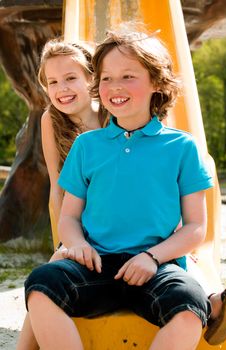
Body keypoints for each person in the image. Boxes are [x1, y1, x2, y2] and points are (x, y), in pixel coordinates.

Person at [22, 27, 226, 349]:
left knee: (191, 304)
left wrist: (151, 256)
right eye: (106, 78)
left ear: (157, 83)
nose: (115, 87)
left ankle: (211, 301)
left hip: (155, 265)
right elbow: (69, 217)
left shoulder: (182, 148)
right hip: (94, 264)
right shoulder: (86, 146)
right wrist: (77, 244)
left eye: (128, 76)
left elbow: (195, 228)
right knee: (41, 283)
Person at [16, 38, 103, 350]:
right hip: (77, 222)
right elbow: (57, 186)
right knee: (55, 264)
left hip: (115, 220)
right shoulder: (51, 120)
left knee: (52, 272)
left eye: (70, 78)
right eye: (53, 82)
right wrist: (62, 237)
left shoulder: (114, 115)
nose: (62, 89)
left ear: (91, 79)